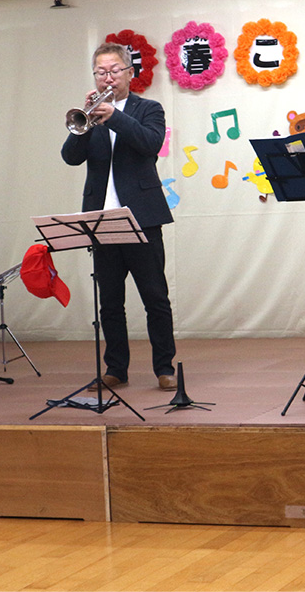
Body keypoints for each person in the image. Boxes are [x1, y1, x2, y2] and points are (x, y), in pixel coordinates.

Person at [61, 42, 177, 391]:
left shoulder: (149, 108)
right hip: (101, 220)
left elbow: (150, 144)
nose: (107, 78)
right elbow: (70, 157)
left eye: (114, 71)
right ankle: (116, 368)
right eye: (100, 72)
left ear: (130, 73)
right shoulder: (91, 116)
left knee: (155, 298)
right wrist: (86, 122)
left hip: (142, 218)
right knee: (110, 302)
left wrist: (115, 116)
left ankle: (165, 367)